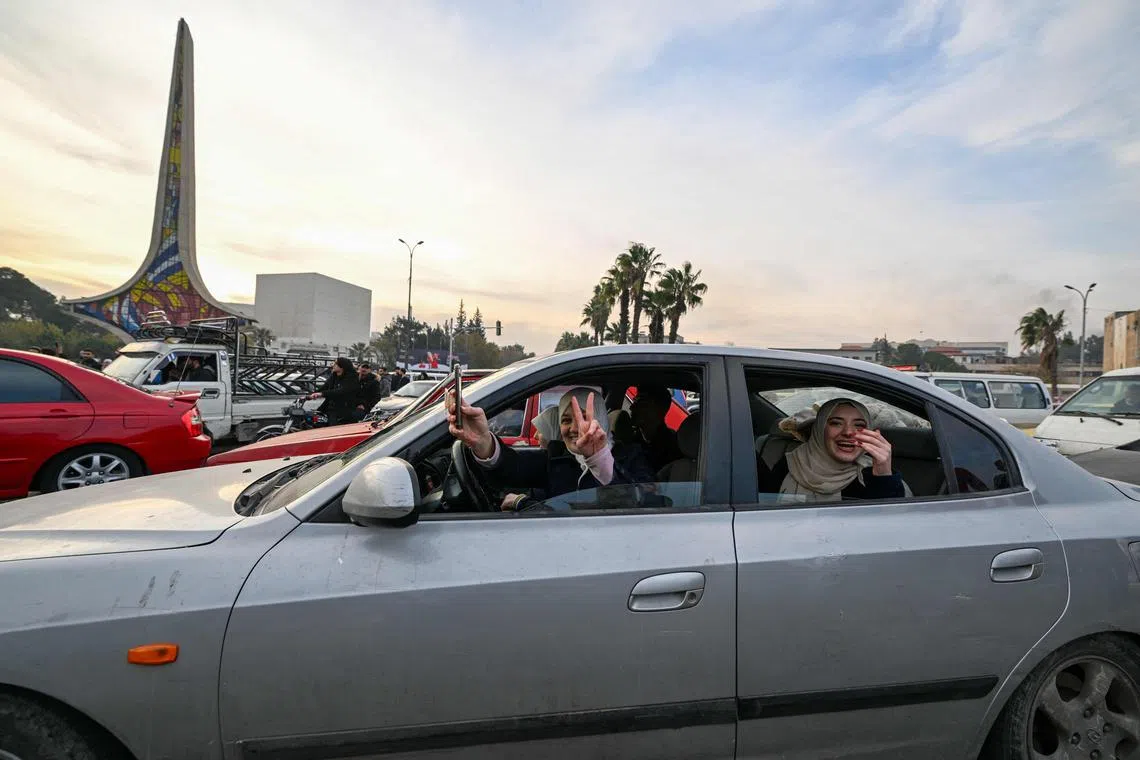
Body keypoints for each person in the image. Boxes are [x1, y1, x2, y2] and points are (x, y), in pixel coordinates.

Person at [448, 387, 654, 511]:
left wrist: (599, 459)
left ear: (599, 419)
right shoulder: (558, 457)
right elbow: (514, 467)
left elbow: (641, 505)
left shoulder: (632, 456)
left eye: (584, 418)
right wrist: (483, 441)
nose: (574, 428)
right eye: (566, 420)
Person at [758, 398, 904, 503]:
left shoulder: (873, 473)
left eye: (858, 425)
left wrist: (883, 476)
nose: (848, 432)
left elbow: (890, 526)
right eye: (836, 423)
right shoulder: (790, 464)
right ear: (819, 430)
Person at [630, 384, 683, 472]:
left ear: (658, 410)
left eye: (640, 402)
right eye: (634, 401)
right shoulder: (629, 440)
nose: (632, 407)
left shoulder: (672, 450)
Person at [308, 357, 360, 424]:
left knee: (331, 425)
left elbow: (341, 391)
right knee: (313, 419)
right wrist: (311, 395)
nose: (333, 365)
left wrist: (321, 394)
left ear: (342, 367)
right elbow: (325, 387)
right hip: (330, 406)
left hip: (343, 408)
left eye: (335, 363)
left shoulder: (352, 378)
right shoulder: (334, 376)